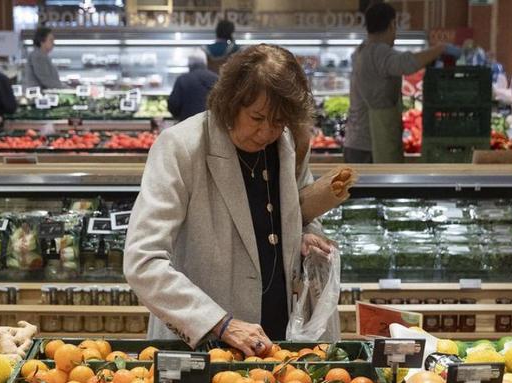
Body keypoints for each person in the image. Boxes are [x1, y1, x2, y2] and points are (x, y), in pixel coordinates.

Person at [124, 45, 350, 355]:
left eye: (278, 121)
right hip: (202, 343)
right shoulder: (181, 147)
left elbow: (300, 209)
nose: (267, 132)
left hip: (277, 340)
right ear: (230, 102)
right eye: (257, 118)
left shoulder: (290, 143)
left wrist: (306, 234)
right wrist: (220, 323)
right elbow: (142, 261)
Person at [344, 3, 451, 163]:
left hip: (357, 143)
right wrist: (441, 49)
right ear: (392, 24)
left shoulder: (363, 50)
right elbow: (407, 63)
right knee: (377, 188)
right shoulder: (378, 52)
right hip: (370, 146)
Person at [168, 51, 218, 122]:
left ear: (189, 64)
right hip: (211, 124)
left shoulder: (182, 79)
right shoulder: (215, 78)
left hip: (187, 125)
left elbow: (173, 104)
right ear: (205, 62)